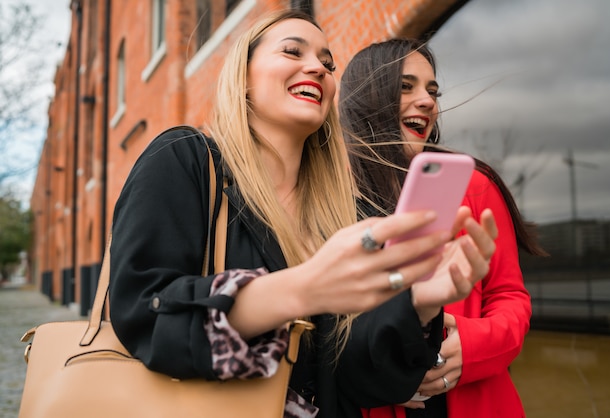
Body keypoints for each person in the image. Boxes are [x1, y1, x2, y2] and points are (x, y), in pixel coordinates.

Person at [108, 11, 498, 418]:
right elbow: (142, 314)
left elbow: (359, 382)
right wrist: (302, 289)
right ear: (242, 76)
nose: (318, 67)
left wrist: (420, 302)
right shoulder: (185, 159)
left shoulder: (347, 212)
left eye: (328, 64)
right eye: (293, 51)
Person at [339, 38, 547, 418]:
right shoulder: (329, 201)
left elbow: (510, 297)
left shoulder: (474, 185)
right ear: (366, 97)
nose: (428, 101)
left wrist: (471, 346)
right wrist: (380, 378)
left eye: (432, 91)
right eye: (406, 86)